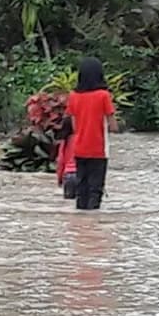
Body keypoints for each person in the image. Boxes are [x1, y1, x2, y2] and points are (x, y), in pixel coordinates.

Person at [65, 57, 118, 210]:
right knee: (95, 189)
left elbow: (74, 126)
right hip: (98, 150)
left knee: (81, 188)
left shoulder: (73, 96)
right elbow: (113, 126)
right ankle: (93, 219)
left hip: (79, 149)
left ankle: (81, 218)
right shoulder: (103, 95)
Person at [56, 117, 78, 199]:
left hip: (68, 176)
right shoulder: (85, 139)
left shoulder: (65, 142)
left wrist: (59, 180)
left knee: (69, 203)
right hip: (82, 176)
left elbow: (60, 162)